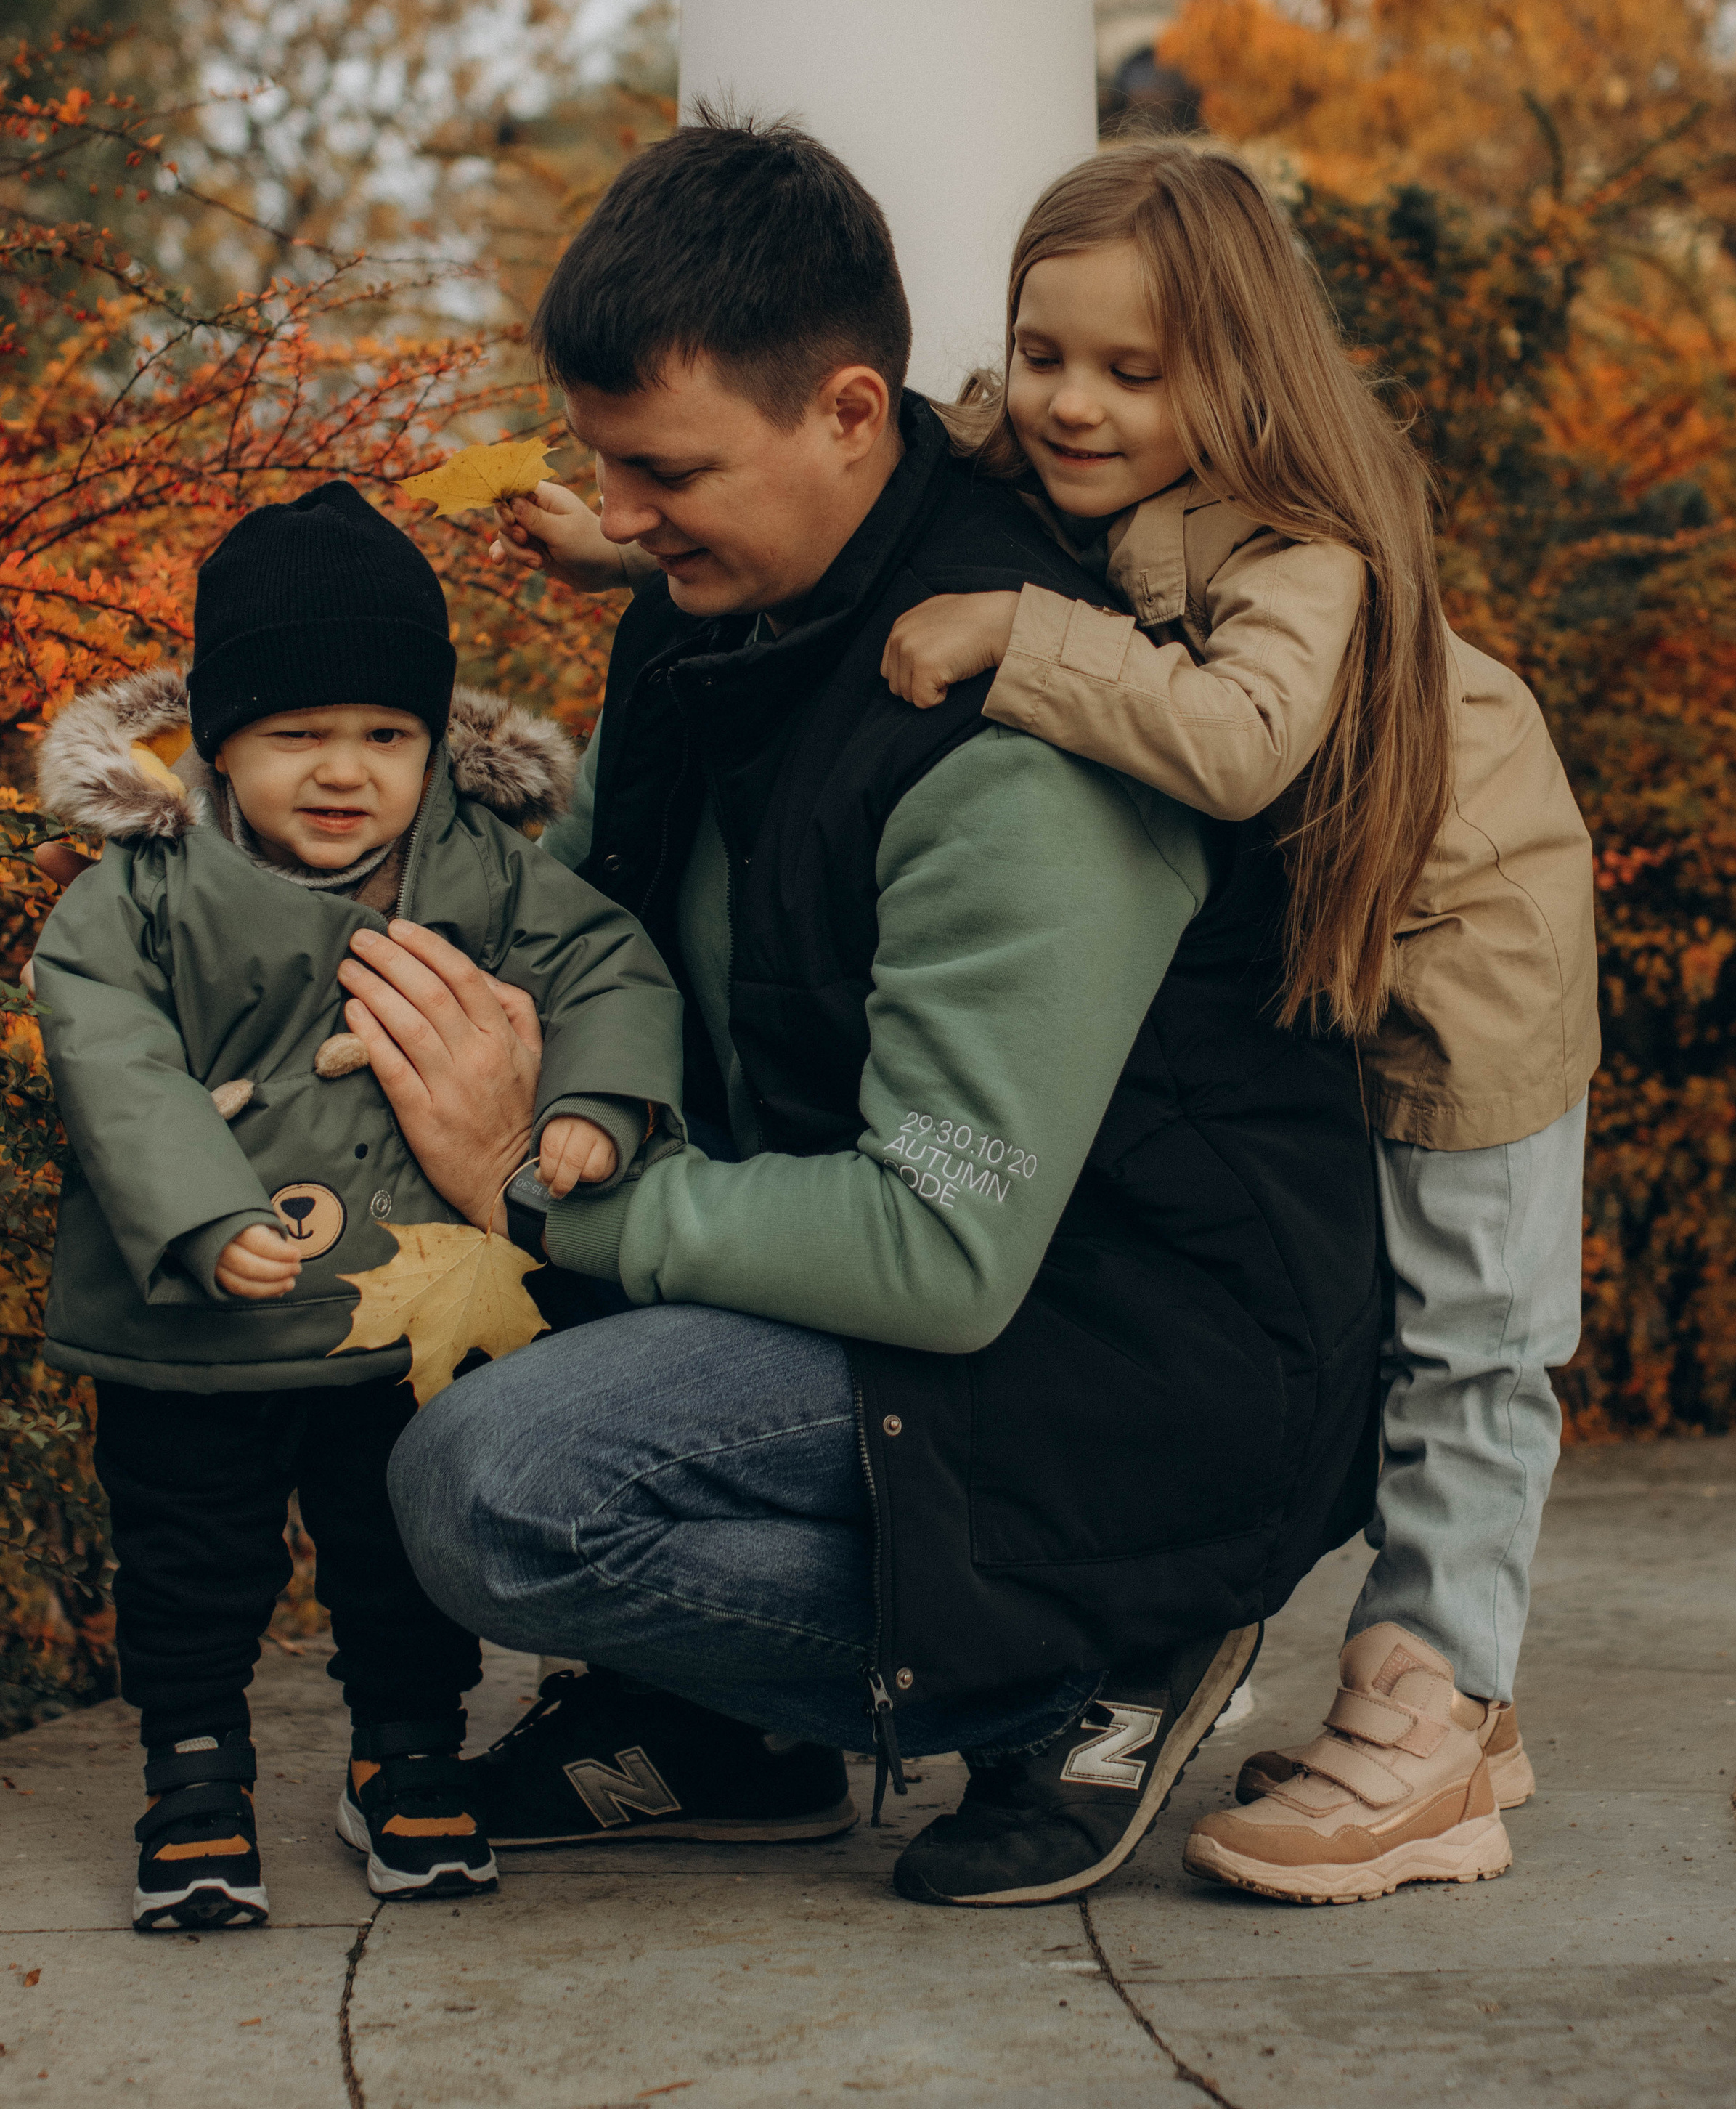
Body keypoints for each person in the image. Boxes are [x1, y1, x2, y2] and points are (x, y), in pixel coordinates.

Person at [379, 110, 1385, 1910]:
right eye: (601, 462)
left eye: (664, 471)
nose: (617, 518)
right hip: (874, 1236)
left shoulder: (1011, 743)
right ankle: (735, 1733)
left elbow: (939, 1247)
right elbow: (575, 912)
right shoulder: (712, 606)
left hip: (1129, 1350)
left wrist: (539, 1190)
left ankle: (1092, 1652)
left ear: (848, 413)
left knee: (498, 1488)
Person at [878, 142, 1597, 1905]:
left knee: (1470, 1336)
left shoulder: (1299, 543)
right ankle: (1458, 1698)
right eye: (1043, 353)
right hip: (1330, 943)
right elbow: (888, 455)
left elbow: (1238, 739)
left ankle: (1437, 1723)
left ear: (1239, 372)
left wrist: (1013, 631)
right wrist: (657, 527)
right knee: (1374, 1311)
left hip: (1470, 932)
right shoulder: (1068, 458)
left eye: (1135, 370)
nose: (1071, 402)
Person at [30, 481, 683, 1934]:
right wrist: (205, 1215)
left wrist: (592, 1103)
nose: (345, 772)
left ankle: (409, 1752)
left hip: (407, 1300)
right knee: (191, 1562)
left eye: (387, 735)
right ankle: (193, 1773)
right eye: (296, 735)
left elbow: (609, 969)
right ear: (217, 739)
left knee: (396, 1554)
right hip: (194, 1318)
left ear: (434, 740)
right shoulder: (145, 887)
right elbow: (113, 1054)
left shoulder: (482, 868)